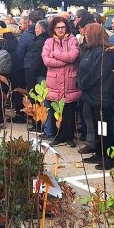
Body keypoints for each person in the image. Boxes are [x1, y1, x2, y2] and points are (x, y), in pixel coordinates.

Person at [78, 24, 114, 167]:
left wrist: (82, 84)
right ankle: (99, 153)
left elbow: (96, 74)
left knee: (104, 127)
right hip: (91, 96)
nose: (85, 36)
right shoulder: (90, 50)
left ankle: (108, 158)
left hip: (102, 97)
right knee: (97, 126)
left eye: (87, 33)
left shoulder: (104, 52)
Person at [42, 16, 81, 147]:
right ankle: (58, 136)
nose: (60, 30)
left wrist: (55, 54)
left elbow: (73, 56)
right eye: (57, 27)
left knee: (69, 112)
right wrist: (65, 60)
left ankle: (69, 137)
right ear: (53, 28)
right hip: (54, 84)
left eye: (63, 27)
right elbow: (46, 60)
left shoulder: (73, 40)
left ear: (67, 27)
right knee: (55, 112)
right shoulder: (48, 42)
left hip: (69, 82)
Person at [15, 9, 45, 123]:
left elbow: (20, 52)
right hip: (44, 68)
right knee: (42, 94)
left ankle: (36, 121)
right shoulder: (48, 32)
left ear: (30, 21)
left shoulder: (27, 34)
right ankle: (43, 121)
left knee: (33, 94)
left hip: (29, 67)